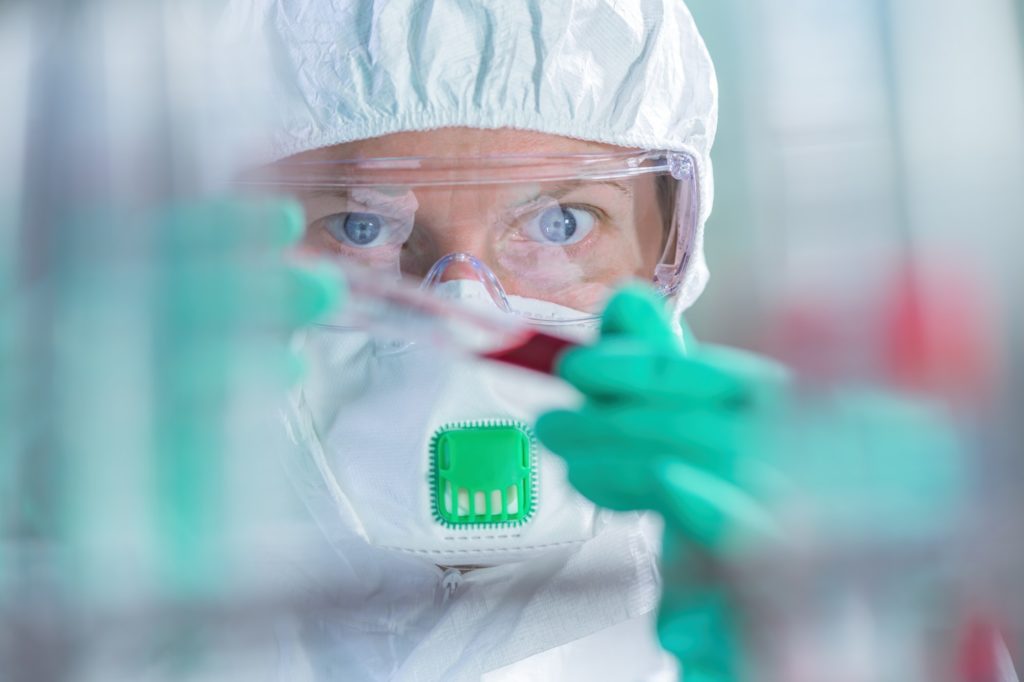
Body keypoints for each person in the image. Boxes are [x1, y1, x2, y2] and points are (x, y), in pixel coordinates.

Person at [222, 0, 803, 679]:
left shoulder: (733, 595)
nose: (464, 310)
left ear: (675, 246)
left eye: (561, 224)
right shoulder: (144, 587)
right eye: (360, 227)